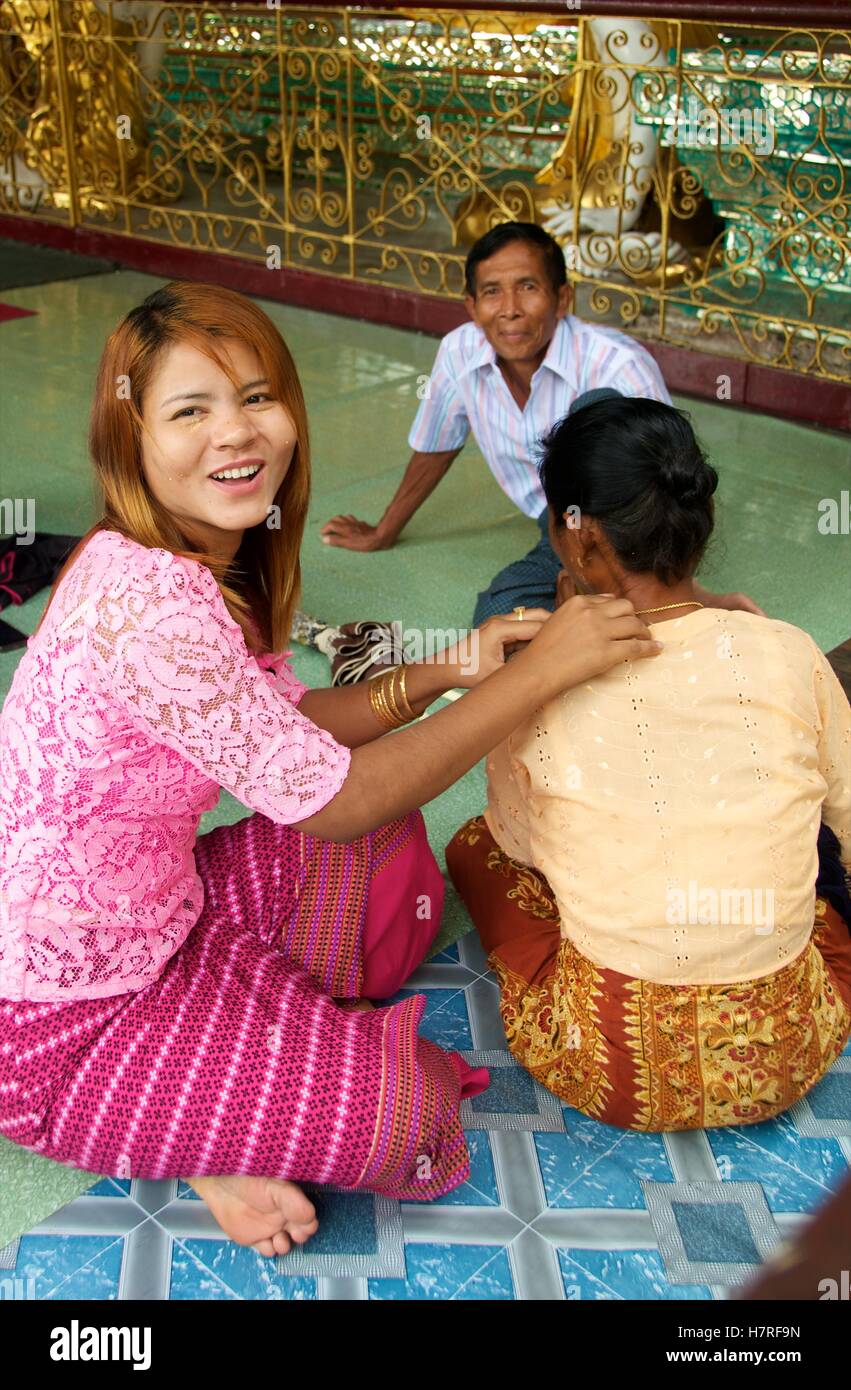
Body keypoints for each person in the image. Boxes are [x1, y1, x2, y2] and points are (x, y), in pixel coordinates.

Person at [0, 282, 663, 1259]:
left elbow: (295, 728)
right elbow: (336, 800)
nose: (237, 433)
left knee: (390, 835)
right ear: (129, 435)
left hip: (161, 914)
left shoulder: (169, 563)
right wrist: (538, 677)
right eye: (191, 409)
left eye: (256, 397)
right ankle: (200, 1126)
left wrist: (451, 666)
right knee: (413, 1118)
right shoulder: (153, 606)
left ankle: (223, 1077)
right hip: (52, 1026)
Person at [446, 394, 851, 1132]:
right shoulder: (786, 648)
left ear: (581, 537)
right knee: (812, 891)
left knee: (474, 849)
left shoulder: (532, 685)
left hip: (615, 1072)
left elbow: (522, 846)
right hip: (793, 1048)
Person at [320, 221, 761, 627]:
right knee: (498, 619)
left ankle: (671, 601)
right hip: (559, 526)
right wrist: (384, 531)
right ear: (472, 307)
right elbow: (437, 444)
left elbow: (664, 489)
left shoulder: (616, 365)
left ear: (562, 299)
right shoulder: (460, 352)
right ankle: (604, 605)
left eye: (527, 287)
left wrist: (665, 578)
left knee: (598, 408)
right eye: (492, 292)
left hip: (630, 523)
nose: (510, 309)